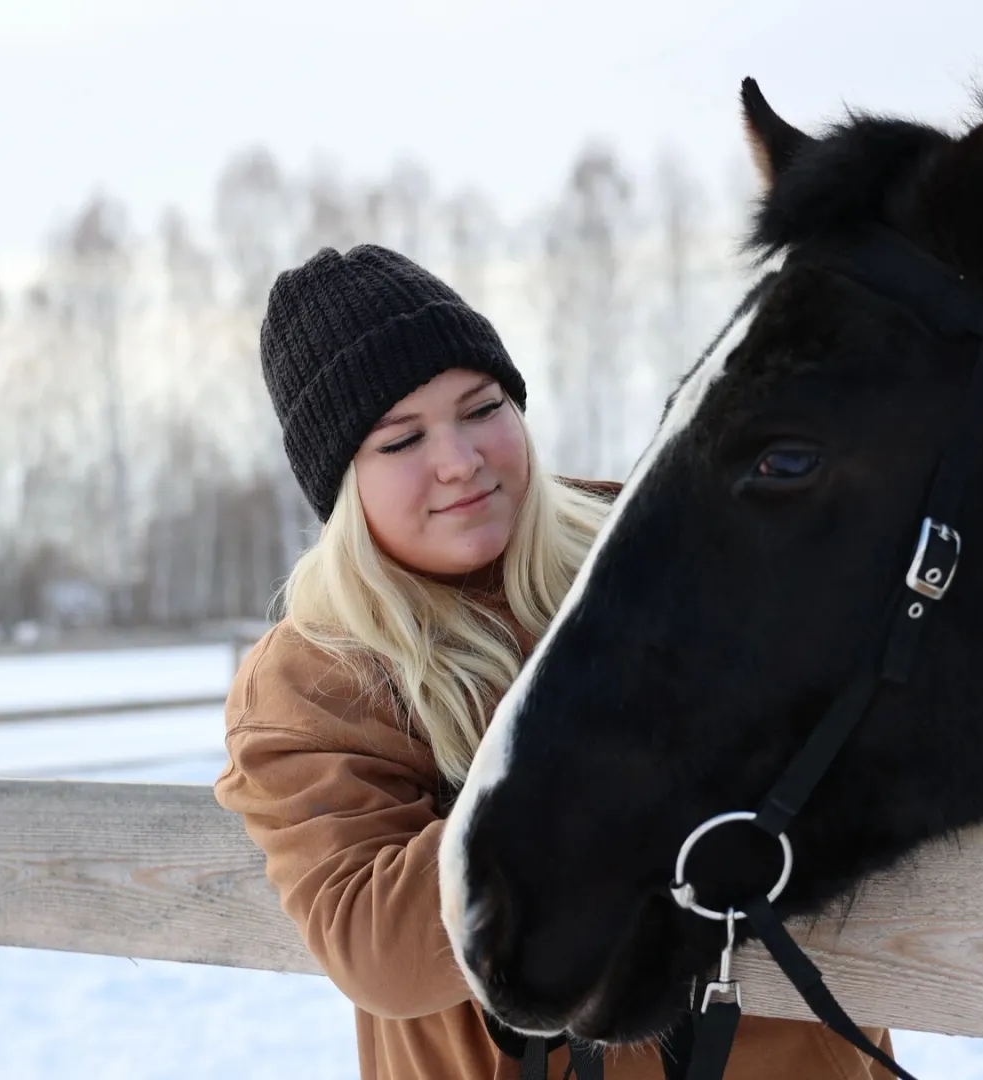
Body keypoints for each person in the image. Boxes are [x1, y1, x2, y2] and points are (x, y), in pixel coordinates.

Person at [213, 243, 895, 1080]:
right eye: (399, 441)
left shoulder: (657, 539)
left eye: (481, 407)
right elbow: (380, 944)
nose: (459, 459)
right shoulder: (318, 675)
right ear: (341, 484)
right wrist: (608, 759)